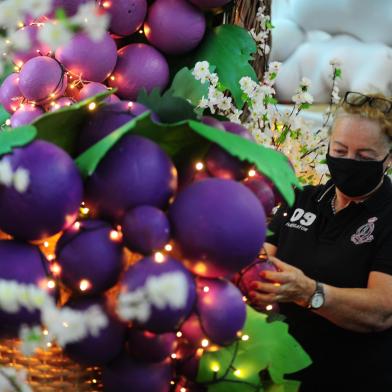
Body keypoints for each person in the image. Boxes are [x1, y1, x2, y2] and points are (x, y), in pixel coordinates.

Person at [250, 91, 392, 391]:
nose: (348, 162)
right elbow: (259, 261)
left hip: (355, 379)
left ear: (388, 159)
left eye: (364, 157)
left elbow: (382, 311)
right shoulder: (302, 199)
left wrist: (310, 292)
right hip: (281, 377)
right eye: (339, 151)